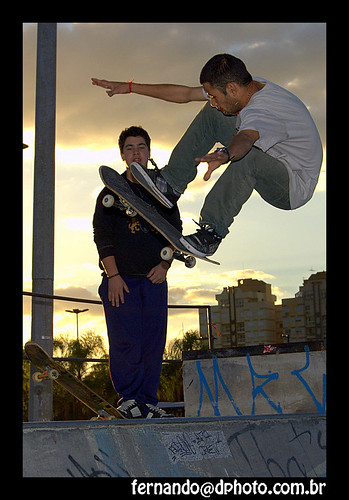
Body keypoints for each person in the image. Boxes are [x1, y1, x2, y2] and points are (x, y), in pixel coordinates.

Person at [92, 53, 323, 257]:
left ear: (231, 89)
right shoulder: (245, 86)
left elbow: (246, 139)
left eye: (214, 96)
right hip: (272, 154)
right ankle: (170, 183)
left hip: (293, 184)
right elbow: (184, 94)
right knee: (214, 115)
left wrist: (225, 154)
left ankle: (212, 232)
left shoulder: (261, 112)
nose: (213, 100)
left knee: (248, 158)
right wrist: (131, 87)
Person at [93, 125, 182, 419]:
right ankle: (129, 399)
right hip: (121, 280)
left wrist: (165, 264)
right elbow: (102, 236)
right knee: (125, 341)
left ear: (149, 152)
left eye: (141, 147)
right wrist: (113, 277)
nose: (136, 152)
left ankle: (147, 401)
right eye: (130, 148)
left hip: (154, 278)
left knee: (153, 342)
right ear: (122, 155)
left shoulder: (163, 191)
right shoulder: (111, 192)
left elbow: (175, 233)